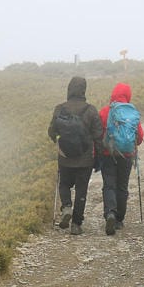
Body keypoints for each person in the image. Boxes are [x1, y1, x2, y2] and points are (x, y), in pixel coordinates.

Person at [48, 76, 102, 236]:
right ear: (84, 90)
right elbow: (98, 135)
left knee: (64, 184)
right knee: (81, 190)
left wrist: (58, 141)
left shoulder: (60, 108)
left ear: (69, 89)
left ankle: (66, 207)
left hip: (65, 158)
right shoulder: (91, 110)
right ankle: (76, 225)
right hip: (85, 160)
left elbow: (51, 131)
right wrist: (99, 158)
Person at [97, 82, 143, 235]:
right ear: (128, 95)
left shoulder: (105, 112)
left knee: (109, 185)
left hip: (108, 155)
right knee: (122, 187)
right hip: (127, 156)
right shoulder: (132, 112)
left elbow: (98, 134)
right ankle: (119, 220)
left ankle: (110, 212)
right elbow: (140, 138)